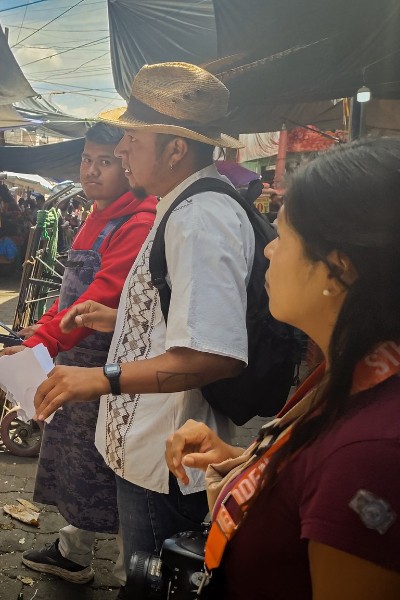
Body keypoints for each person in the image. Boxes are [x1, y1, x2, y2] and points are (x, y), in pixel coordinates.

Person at [32, 62, 252, 578]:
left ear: (176, 149)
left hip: (165, 459)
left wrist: (100, 378)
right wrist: (121, 317)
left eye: (133, 136)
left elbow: (213, 356)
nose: (123, 148)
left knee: (150, 583)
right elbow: (181, 315)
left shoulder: (201, 218)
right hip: (147, 449)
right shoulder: (177, 207)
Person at [165, 137, 400, 599]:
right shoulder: (355, 373)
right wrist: (246, 465)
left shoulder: (368, 455)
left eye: (284, 233)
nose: (269, 250)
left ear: (339, 269)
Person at [0, 123, 157, 584]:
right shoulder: (96, 213)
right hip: (76, 359)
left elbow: (100, 298)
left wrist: (41, 341)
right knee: (79, 462)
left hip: (112, 371)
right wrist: (44, 328)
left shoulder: (139, 220)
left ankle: (139, 577)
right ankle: (73, 552)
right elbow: (71, 296)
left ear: (129, 164)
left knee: (121, 468)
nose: (90, 171)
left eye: (104, 162)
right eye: (86, 160)